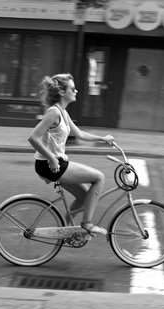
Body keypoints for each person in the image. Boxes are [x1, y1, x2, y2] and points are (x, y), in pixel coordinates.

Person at [28, 73, 114, 236]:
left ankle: (66, 231)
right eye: (73, 88)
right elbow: (33, 138)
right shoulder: (53, 112)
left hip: (55, 163)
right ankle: (87, 224)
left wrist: (103, 138)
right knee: (99, 178)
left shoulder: (62, 112)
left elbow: (80, 134)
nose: (76, 91)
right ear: (62, 92)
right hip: (50, 165)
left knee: (83, 196)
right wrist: (51, 158)